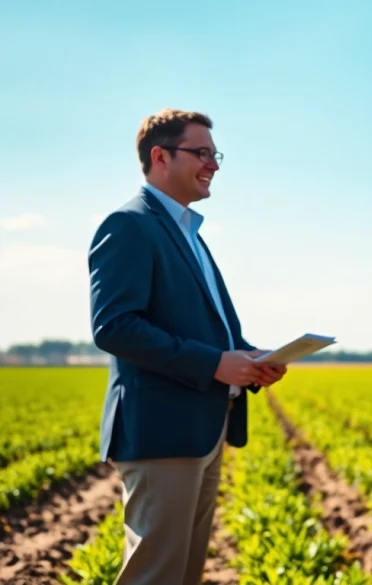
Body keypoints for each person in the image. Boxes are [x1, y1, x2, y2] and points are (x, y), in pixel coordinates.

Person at [88, 108, 287, 585]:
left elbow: (205, 327)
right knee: (155, 575)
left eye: (213, 154)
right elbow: (114, 326)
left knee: (183, 574)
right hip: (163, 432)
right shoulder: (129, 225)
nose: (213, 164)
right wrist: (216, 364)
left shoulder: (189, 233)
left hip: (202, 428)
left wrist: (252, 357)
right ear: (160, 157)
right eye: (201, 153)